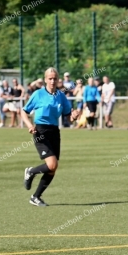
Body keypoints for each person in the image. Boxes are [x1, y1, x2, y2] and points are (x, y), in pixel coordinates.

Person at [21, 67, 78, 207]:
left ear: (58, 80)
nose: (52, 81)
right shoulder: (38, 94)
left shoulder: (61, 96)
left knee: (52, 169)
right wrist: (29, 125)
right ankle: (30, 172)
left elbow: (68, 116)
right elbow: (23, 111)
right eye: (50, 78)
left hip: (54, 132)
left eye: (55, 79)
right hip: (40, 131)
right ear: (45, 79)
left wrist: (74, 116)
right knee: (52, 164)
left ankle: (35, 197)